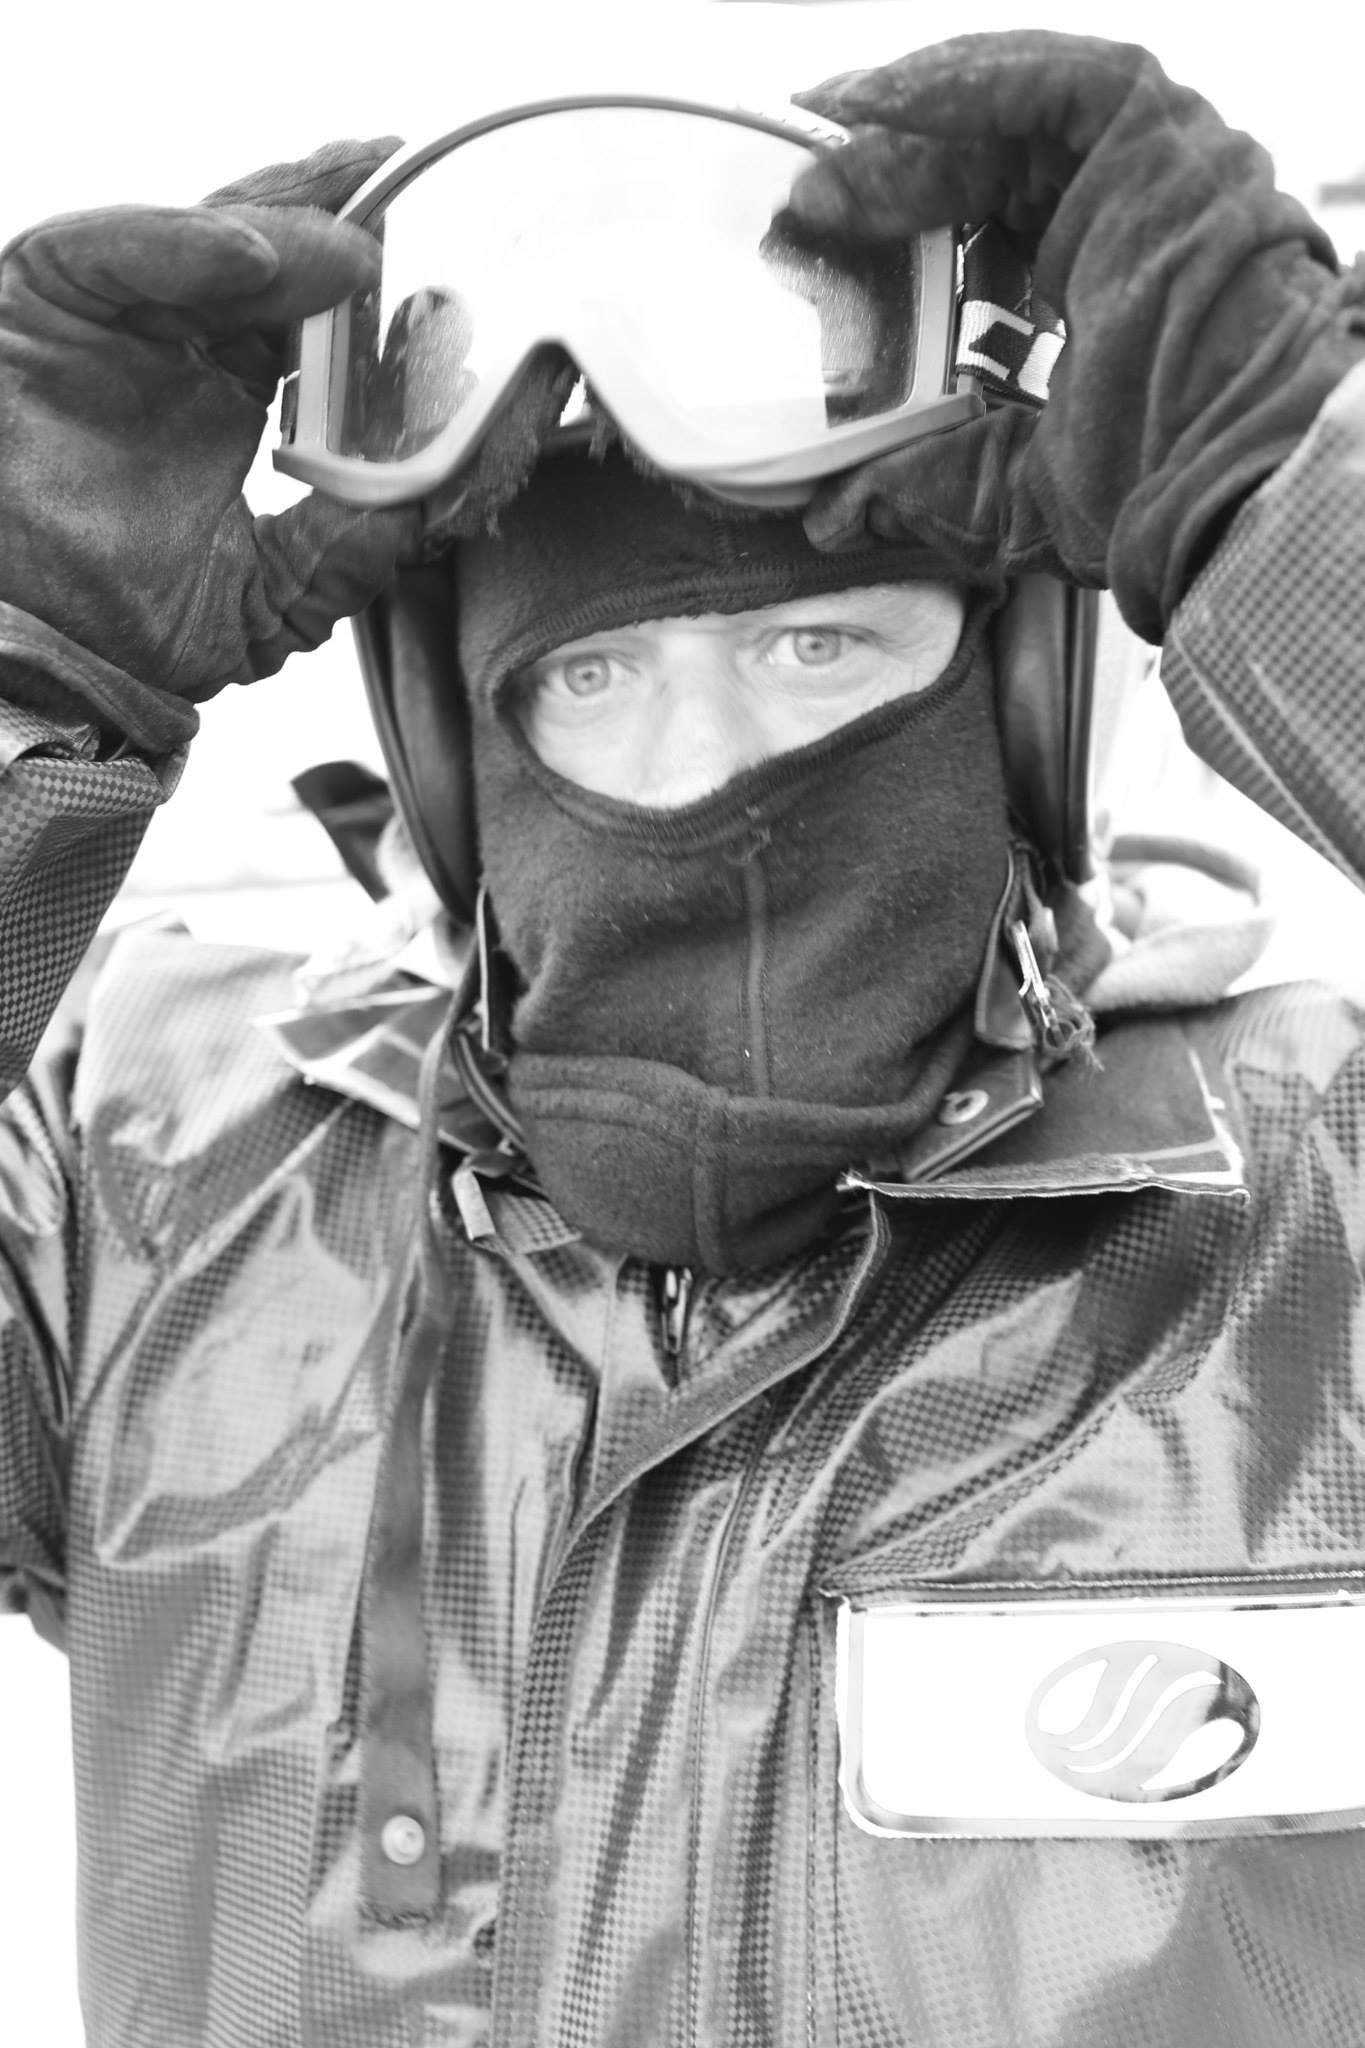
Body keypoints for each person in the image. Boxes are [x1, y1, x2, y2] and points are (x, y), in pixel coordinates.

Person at [2, 31, 1365, 2048]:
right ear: (453, 757)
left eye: (820, 646)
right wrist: (21, 670)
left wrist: (1299, 505)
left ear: (1014, 704)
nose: (705, 756)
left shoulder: (1315, 1207)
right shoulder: (139, 1177)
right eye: (593, 676)